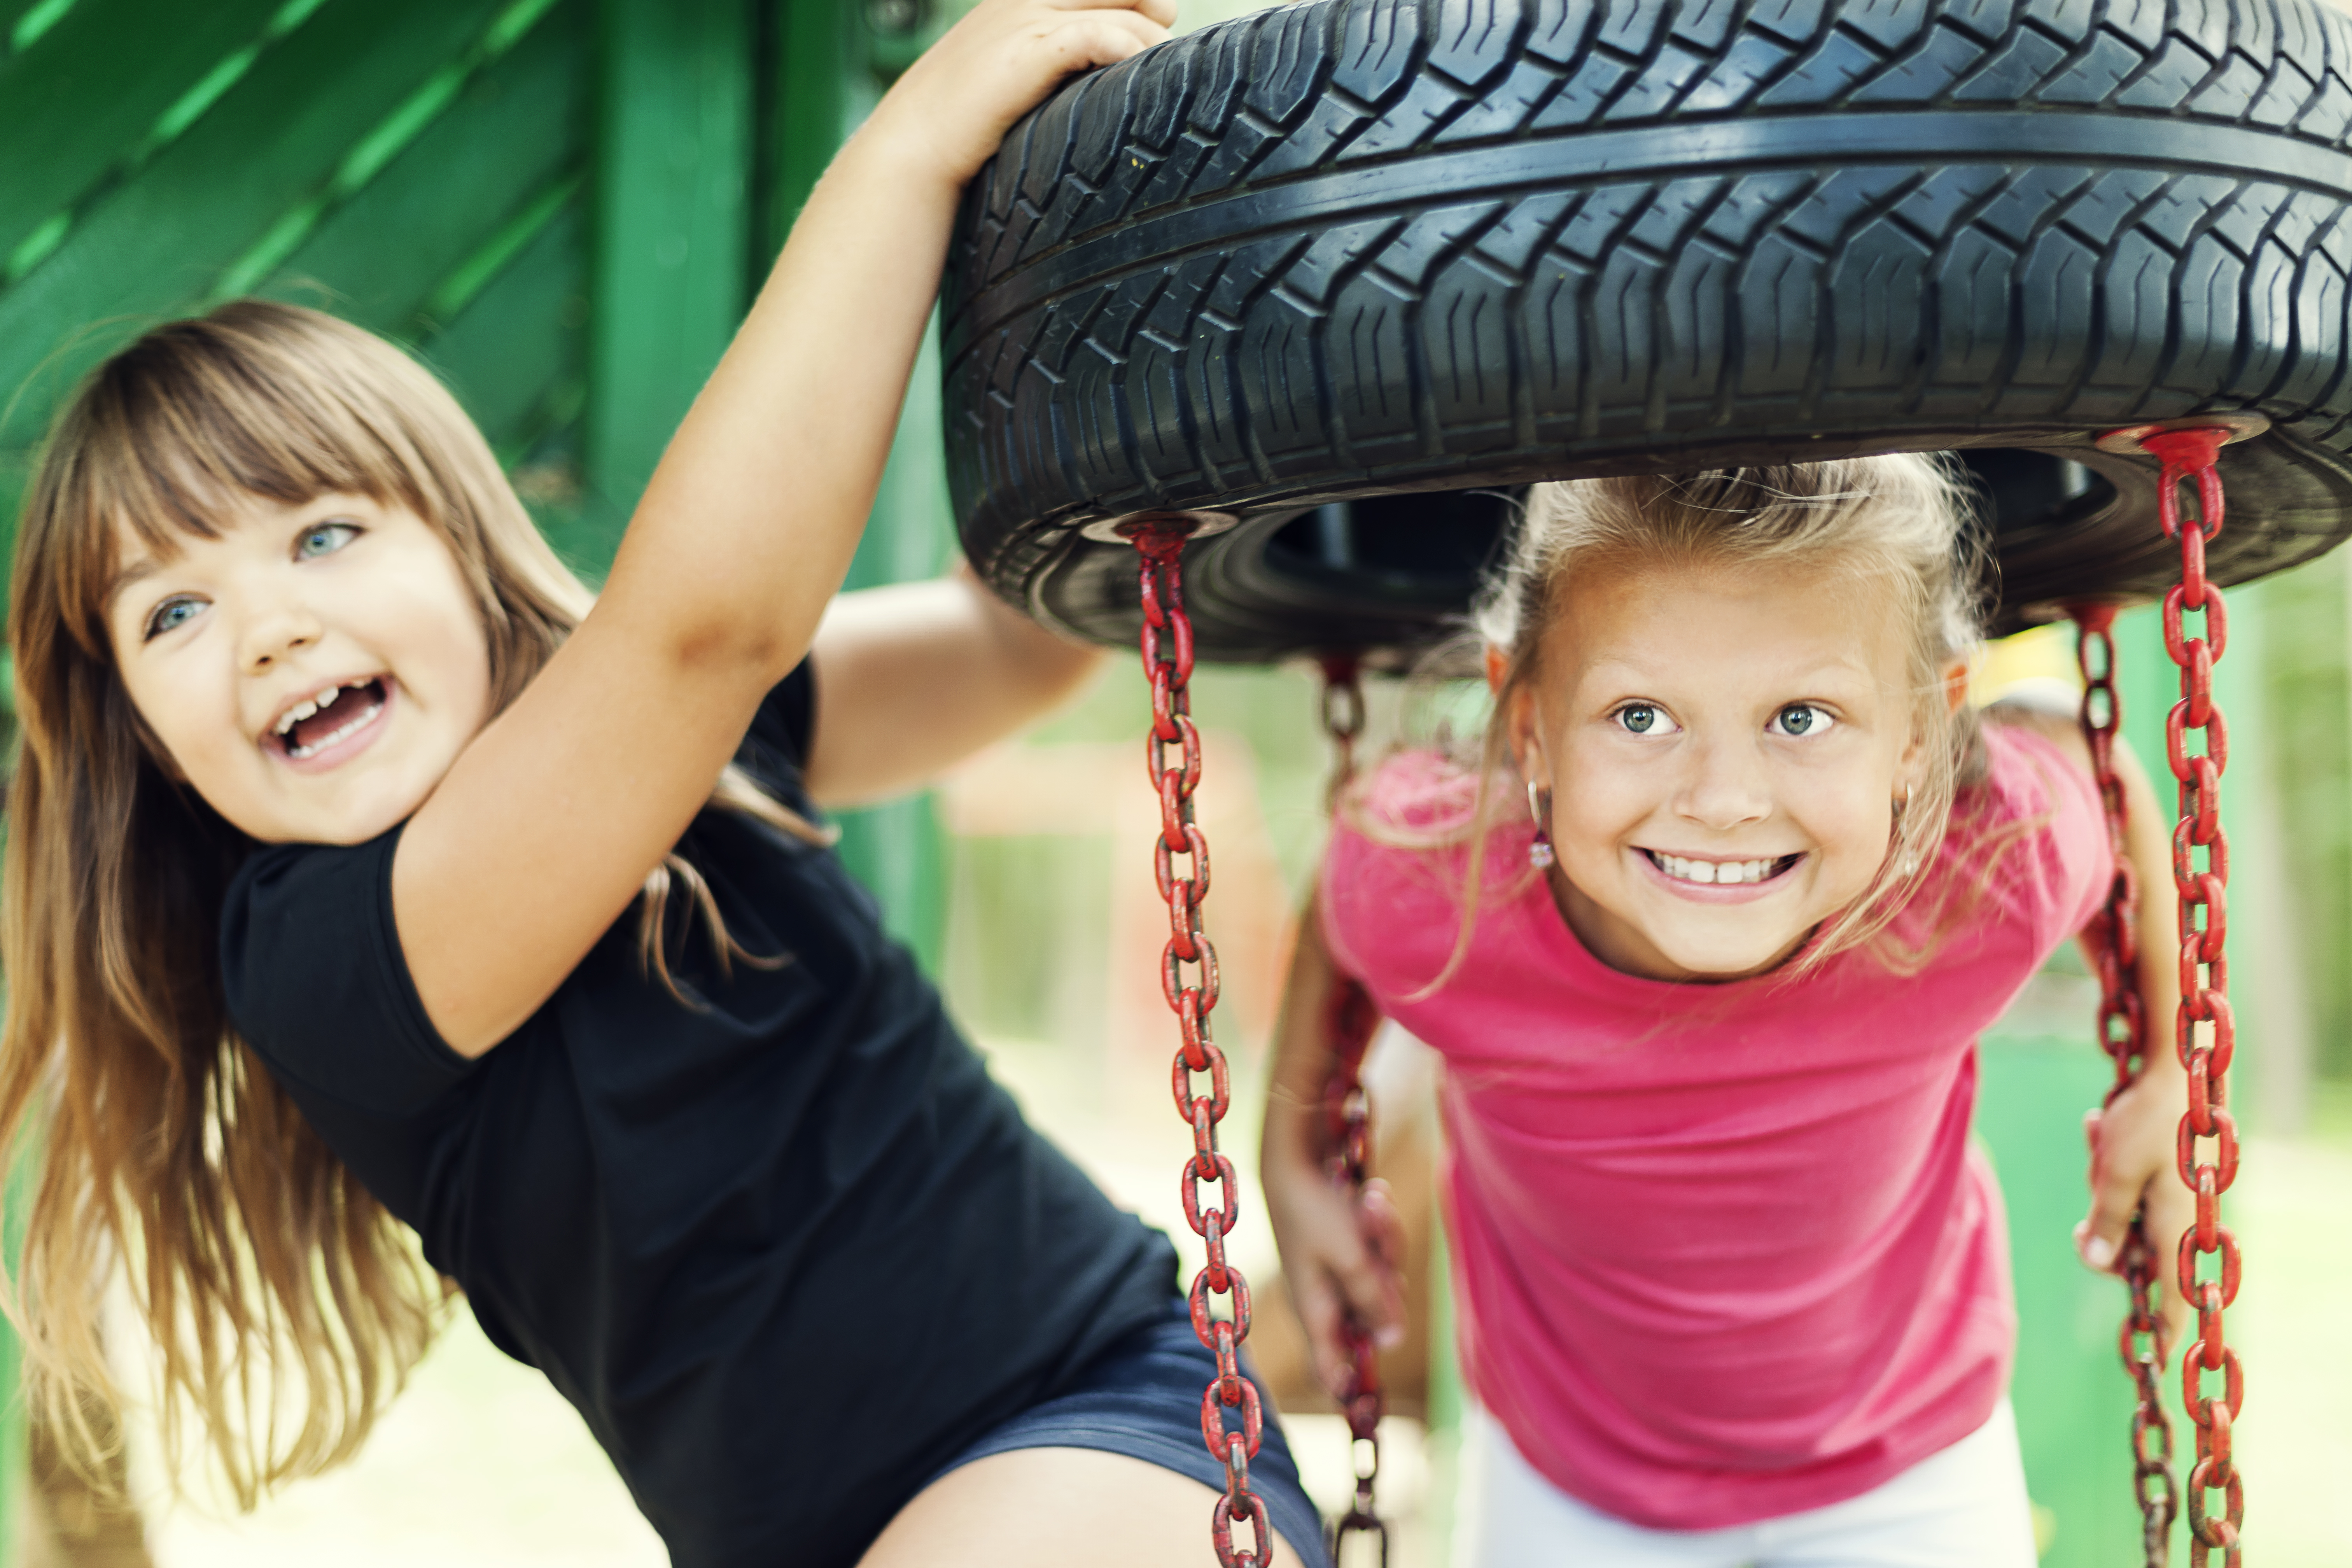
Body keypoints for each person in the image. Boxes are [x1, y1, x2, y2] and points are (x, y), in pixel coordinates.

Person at [0, 3, 1328, 1564]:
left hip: (1088, 1418)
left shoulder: (697, 731)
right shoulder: (322, 958)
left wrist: (1171, 373)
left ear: (462, 546)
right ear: (140, 736)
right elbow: (700, 631)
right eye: (172, 612)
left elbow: (1020, 646)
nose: (272, 626)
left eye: (323, 535)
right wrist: (905, 147)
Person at [1261, 458, 2194, 1566]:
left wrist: (2170, 1073)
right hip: (1570, 1475)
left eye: (1801, 716)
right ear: (1533, 733)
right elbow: (1350, 892)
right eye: (1641, 715)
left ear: (1915, 739)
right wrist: (1294, 1152)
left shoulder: (1980, 873)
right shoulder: (1450, 896)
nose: (1722, 801)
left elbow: (2105, 777)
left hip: (1908, 1457)